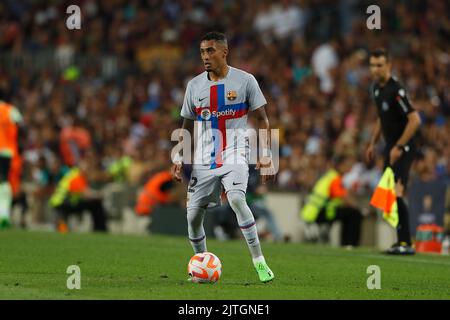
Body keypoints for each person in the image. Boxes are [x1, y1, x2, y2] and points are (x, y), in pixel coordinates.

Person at [171, 31, 275, 283]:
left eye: (210, 51)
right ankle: (203, 263)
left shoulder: (245, 80)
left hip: (235, 153)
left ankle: (259, 262)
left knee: (238, 199)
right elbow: (185, 124)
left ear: (224, 52)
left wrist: (267, 154)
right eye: (202, 52)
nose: (205, 57)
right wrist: (177, 156)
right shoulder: (194, 86)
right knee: (193, 217)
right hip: (204, 159)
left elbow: (262, 119)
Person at [366, 48, 421, 255]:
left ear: (389, 65)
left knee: (398, 191)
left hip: (404, 146)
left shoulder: (397, 90)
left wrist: (399, 146)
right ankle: (401, 241)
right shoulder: (376, 89)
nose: (375, 69)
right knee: (391, 193)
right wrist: (372, 142)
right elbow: (381, 117)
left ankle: (406, 243)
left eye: (379, 65)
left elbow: (415, 120)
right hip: (390, 146)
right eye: (372, 65)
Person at [300, 154, 363, 247]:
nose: (349, 168)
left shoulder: (330, 176)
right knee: (355, 213)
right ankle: (349, 244)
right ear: (340, 166)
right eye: (347, 165)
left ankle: (347, 244)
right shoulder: (335, 178)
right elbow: (344, 197)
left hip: (313, 212)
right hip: (319, 213)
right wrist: (359, 208)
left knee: (349, 213)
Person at [49, 158, 107, 233]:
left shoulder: (75, 175)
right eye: (87, 168)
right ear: (81, 168)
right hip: (62, 204)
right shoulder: (77, 177)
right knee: (96, 203)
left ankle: (99, 228)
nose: (89, 170)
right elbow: (86, 193)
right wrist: (99, 195)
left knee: (94, 203)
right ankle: (100, 229)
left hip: (63, 203)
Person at [0, 97, 23, 229]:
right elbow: (19, 125)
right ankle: (3, 214)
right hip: (6, 151)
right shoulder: (10, 109)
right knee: (3, 181)